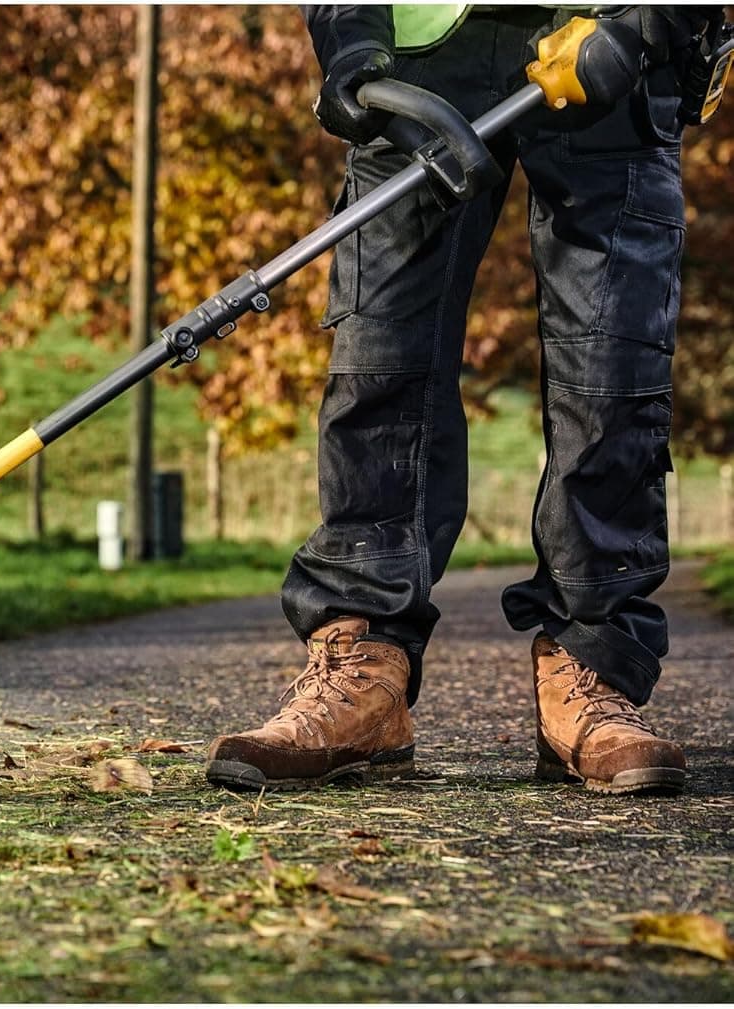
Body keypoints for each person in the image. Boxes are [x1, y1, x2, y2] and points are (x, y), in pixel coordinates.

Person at [205, 5, 722, 797]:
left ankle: (591, 666)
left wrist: (649, 20)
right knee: (380, 359)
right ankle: (363, 667)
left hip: (607, 38)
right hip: (419, 55)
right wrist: (349, 37)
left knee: (611, 368)